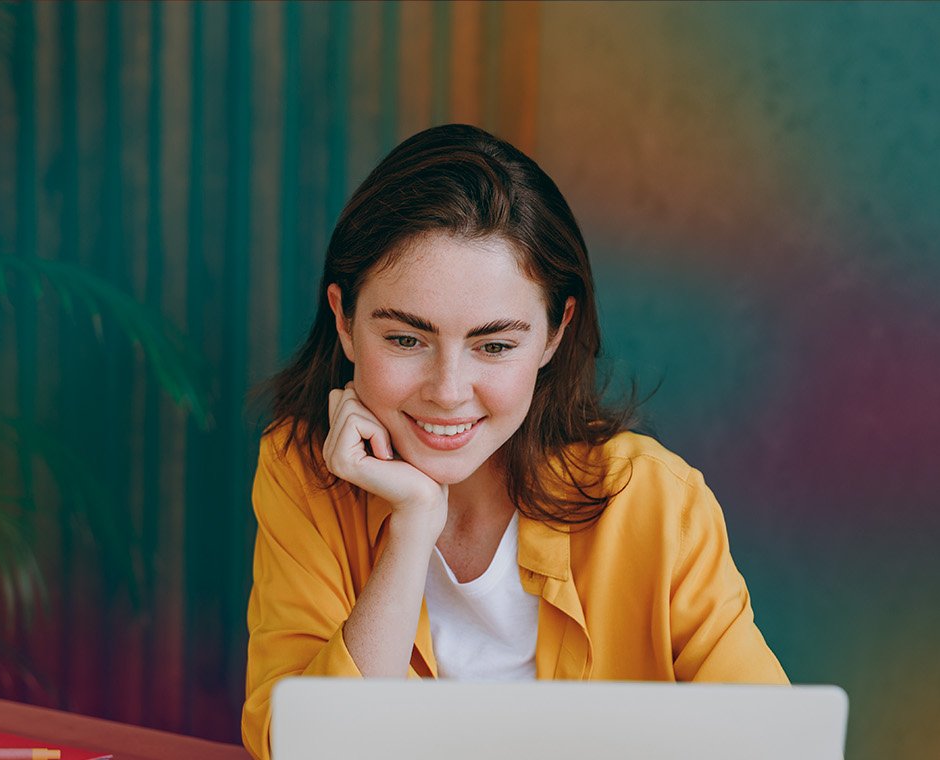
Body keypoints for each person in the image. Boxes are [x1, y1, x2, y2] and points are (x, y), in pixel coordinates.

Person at [242, 124, 786, 759]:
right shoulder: (303, 473)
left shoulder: (656, 502)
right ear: (343, 319)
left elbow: (775, 745)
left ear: (555, 333)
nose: (448, 391)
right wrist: (413, 525)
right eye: (406, 339)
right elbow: (304, 750)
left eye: (495, 346)